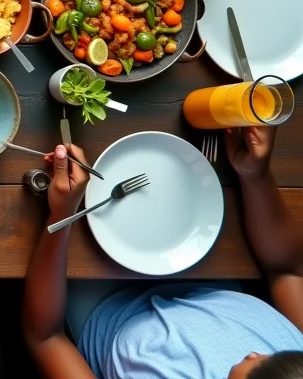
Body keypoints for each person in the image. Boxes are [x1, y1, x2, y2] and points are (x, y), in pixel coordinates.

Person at [24, 139, 303, 379]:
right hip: (205, 271)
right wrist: (256, 174)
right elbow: (287, 270)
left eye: (254, 367)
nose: (254, 354)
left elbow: (46, 338)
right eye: (271, 355)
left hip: (101, 301)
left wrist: (61, 215)